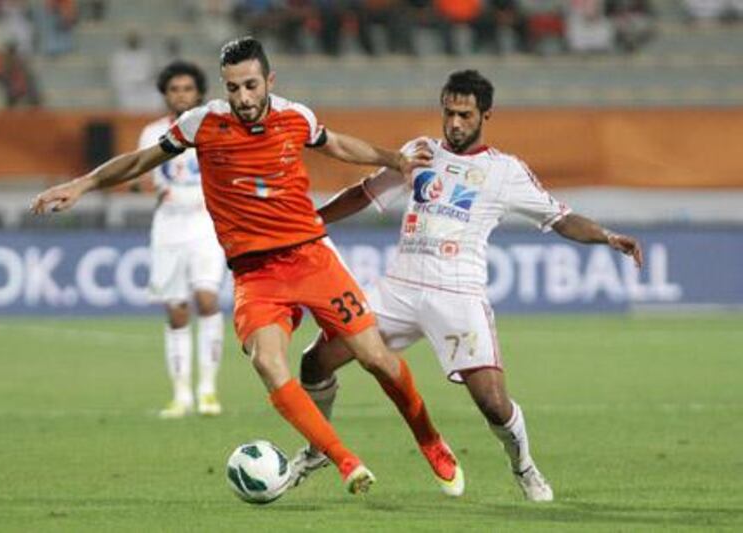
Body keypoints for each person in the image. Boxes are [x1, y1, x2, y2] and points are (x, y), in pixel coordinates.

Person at [31, 37, 462, 496]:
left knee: (376, 357)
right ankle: (343, 461)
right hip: (256, 275)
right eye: (233, 88)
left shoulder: (295, 116)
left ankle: (430, 439)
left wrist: (392, 158)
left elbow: (334, 143)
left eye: (251, 86)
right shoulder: (201, 123)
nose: (243, 98)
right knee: (268, 363)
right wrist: (83, 184)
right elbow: (142, 160)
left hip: (311, 257)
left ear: (269, 81)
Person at [290, 69, 644, 501]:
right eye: (449, 112)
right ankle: (316, 449)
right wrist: (309, 221)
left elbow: (559, 217)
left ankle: (524, 466)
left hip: (457, 296)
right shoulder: (418, 152)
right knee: (315, 361)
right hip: (399, 289)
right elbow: (364, 194)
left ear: (485, 115)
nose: (454, 123)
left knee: (494, 404)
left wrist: (607, 237)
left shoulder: (505, 171)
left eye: (465, 114)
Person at [138, 61, 226, 418]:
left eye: (187, 89)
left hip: (206, 224)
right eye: (174, 89)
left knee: (206, 300)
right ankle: (180, 395)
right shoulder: (152, 133)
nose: (181, 95)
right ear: (165, 94)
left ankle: (207, 390)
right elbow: (143, 177)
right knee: (176, 312)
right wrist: (154, 190)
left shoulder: (212, 128)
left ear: (199, 93)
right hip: (169, 228)